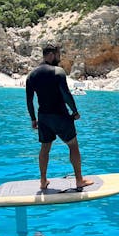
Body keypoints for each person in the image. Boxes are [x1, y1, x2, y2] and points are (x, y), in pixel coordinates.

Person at [26, 44, 93, 190]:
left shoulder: (31, 75)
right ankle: (79, 180)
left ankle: (43, 181)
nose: (59, 57)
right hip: (60, 116)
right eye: (58, 55)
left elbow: (29, 100)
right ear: (51, 55)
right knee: (73, 146)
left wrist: (33, 119)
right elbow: (66, 94)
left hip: (43, 117)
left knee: (45, 148)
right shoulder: (58, 72)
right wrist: (75, 111)